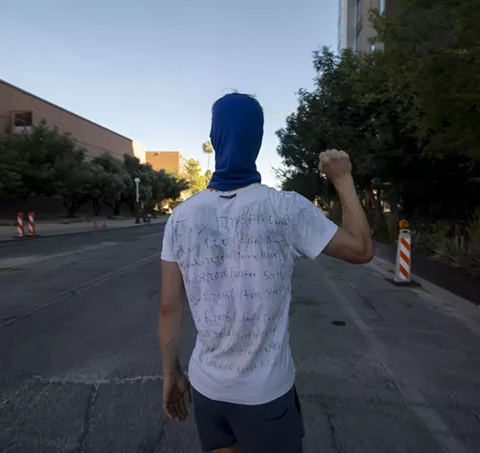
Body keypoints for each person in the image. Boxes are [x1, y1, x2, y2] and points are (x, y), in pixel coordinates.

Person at [159, 93, 373, 453]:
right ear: (258, 141)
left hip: (207, 388)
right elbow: (362, 249)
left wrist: (170, 374)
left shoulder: (181, 217)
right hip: (265, 395)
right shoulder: (284, 209)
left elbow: (169, 308)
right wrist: (343, 179)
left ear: (214, 138)